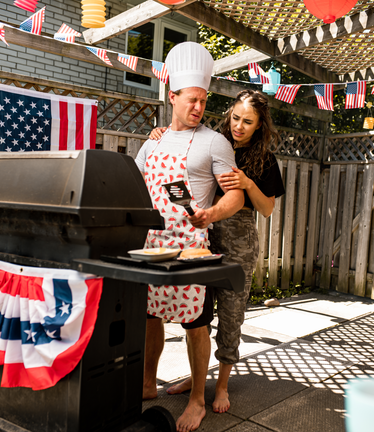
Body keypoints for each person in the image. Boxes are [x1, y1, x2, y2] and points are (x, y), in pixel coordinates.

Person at [149, 89, 286, 414]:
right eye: (236, 118)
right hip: (203, 239)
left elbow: (267, 210)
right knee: (198, 315)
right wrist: (160, 134)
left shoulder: (265, 159)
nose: (239, 125)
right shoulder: (208, 140)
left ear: (259, 125)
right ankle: (198, 378)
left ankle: (220, 385)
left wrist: (248, 183)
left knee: (230, 315)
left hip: (238, 244)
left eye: (247, 122)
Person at [134, 42, 245, 432]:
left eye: (203, 100)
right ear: (172, 96)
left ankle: (197, 398)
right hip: (151, 246)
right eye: (191, 100)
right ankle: (148, 383)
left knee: (195, 323)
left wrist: (210, 214)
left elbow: (235, 194)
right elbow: (134, 186)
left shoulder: (215, 141)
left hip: (192, 247)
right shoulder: (153, 141)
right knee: (150, 316)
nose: (198, 107)